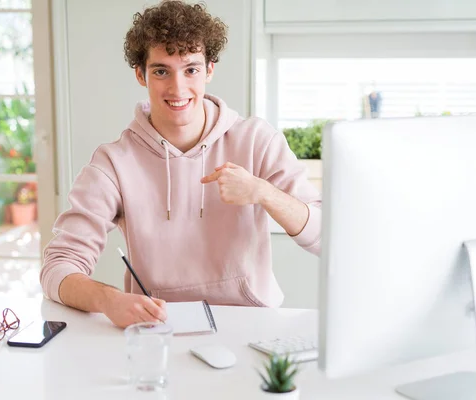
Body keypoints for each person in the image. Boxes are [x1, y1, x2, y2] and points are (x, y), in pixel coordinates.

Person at [40, 0, 321, 329]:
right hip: (160, 327)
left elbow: (323, 235)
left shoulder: (257, 140)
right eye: (161, 71)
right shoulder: (113, 163)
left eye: (191, 69)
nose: (178, 88)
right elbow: (57, 267)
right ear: (140, 74)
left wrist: (264, 192)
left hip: (252, 322)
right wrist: (108, 299)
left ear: (210, 69)